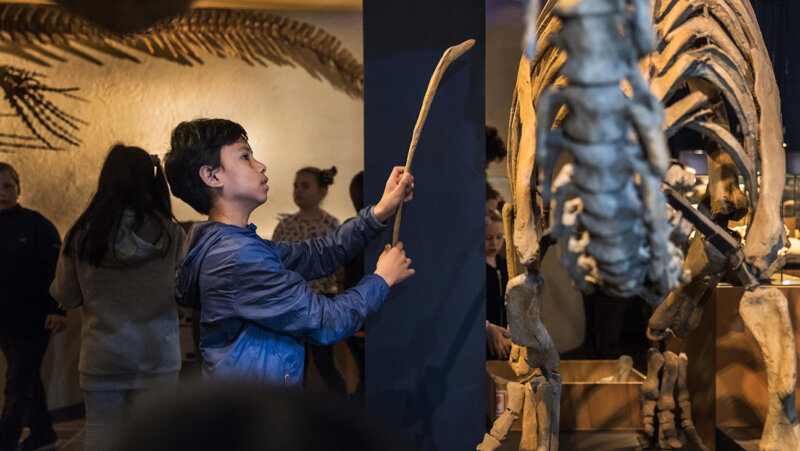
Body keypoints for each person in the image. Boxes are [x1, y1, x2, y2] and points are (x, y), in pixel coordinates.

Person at [163, 118, 415, 387]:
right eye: (245, 156)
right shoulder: (236, 257)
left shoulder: (237, 246)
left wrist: (378, 213)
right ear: (212, 176)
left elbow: (317, 254)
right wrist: (381, 279)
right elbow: (325, 321)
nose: (260, 165)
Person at [49, 145, 186, 451]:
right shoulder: (171, 234)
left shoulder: (83, 233)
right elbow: (185, 293)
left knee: (101, 435)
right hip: (157, 354)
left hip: (104, 354)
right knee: (158, 437)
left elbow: (67, 296)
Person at [0, 162, 66, 451]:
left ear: (18, 189)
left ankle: (5, 441)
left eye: (7, 186)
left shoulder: (36, 225)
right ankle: (44, 435)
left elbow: (58, 271)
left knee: (17, 383)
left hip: (34, 320)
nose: (1, 192)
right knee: (26, 378)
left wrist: (58, 309)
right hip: (4, 320)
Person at [272, 166, 346, 395]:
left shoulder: (331, 225)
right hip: (291, 303)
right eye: (296, 186)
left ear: (322, 191)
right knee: (294, 364)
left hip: (321, 302)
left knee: (324, 361)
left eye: (305, 186)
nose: (298, 191)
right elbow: (273, 265)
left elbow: (341, 264)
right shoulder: (285, 226)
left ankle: (343, 407)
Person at [485, 210, 510, 360]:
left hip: (505, 339)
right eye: (488, 238)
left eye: (499, 237)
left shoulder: (504, 265)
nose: (495, 243)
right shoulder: (476, 268)